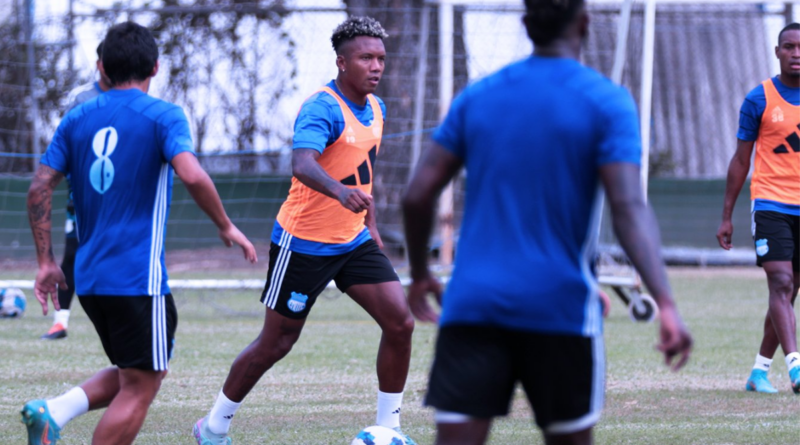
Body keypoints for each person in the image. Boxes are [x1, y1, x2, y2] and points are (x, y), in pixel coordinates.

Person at [402, 1, 693, 444]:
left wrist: (421, 273)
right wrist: (665, 302)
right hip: (559, 309)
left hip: (473, 307)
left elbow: (417, 195)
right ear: (584, 22)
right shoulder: (607, 101)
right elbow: (629, 207)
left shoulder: (480, 96)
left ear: (525, 25)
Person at [22, 22, 257, 445]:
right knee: (141, 385)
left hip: (89, 279)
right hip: (135, 278)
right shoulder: (163, 115)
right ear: (155, 66)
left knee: (142, 370)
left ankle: (53, 411)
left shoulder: (77, 118)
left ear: (103, 69)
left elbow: (39, 187)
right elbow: (191, 173)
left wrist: (45, 262)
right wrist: (225, 225)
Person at [193, 16, 416, 445]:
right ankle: (214, 426)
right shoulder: (322, 107)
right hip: (304, 243)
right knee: (276, 343)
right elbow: (303, 164)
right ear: (341, 62)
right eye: (366, 58)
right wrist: (340, 194)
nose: (376, 66)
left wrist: (369, 224)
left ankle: (388, 429)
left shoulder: (377, 109)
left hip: (353, 241)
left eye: (381, 59)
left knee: (400, 323)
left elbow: (362, 171)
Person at [717, 22, 800, 395]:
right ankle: (797, 369)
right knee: (781, 282)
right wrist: (726, 216)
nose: (796, 53)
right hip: (770, 203)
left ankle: (758, 372)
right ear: (777, 51)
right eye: (789, 46)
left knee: (788, 290)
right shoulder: (759, 99)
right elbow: (739, 161)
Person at [41, 40, 112, 340]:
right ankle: (61, 320)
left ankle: (118, 322)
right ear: (100, 65)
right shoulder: (81, 101)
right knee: (72, 255)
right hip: (82, 198)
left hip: (121, 199)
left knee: (114, 257)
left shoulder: (138, 99)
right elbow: (65, 151)